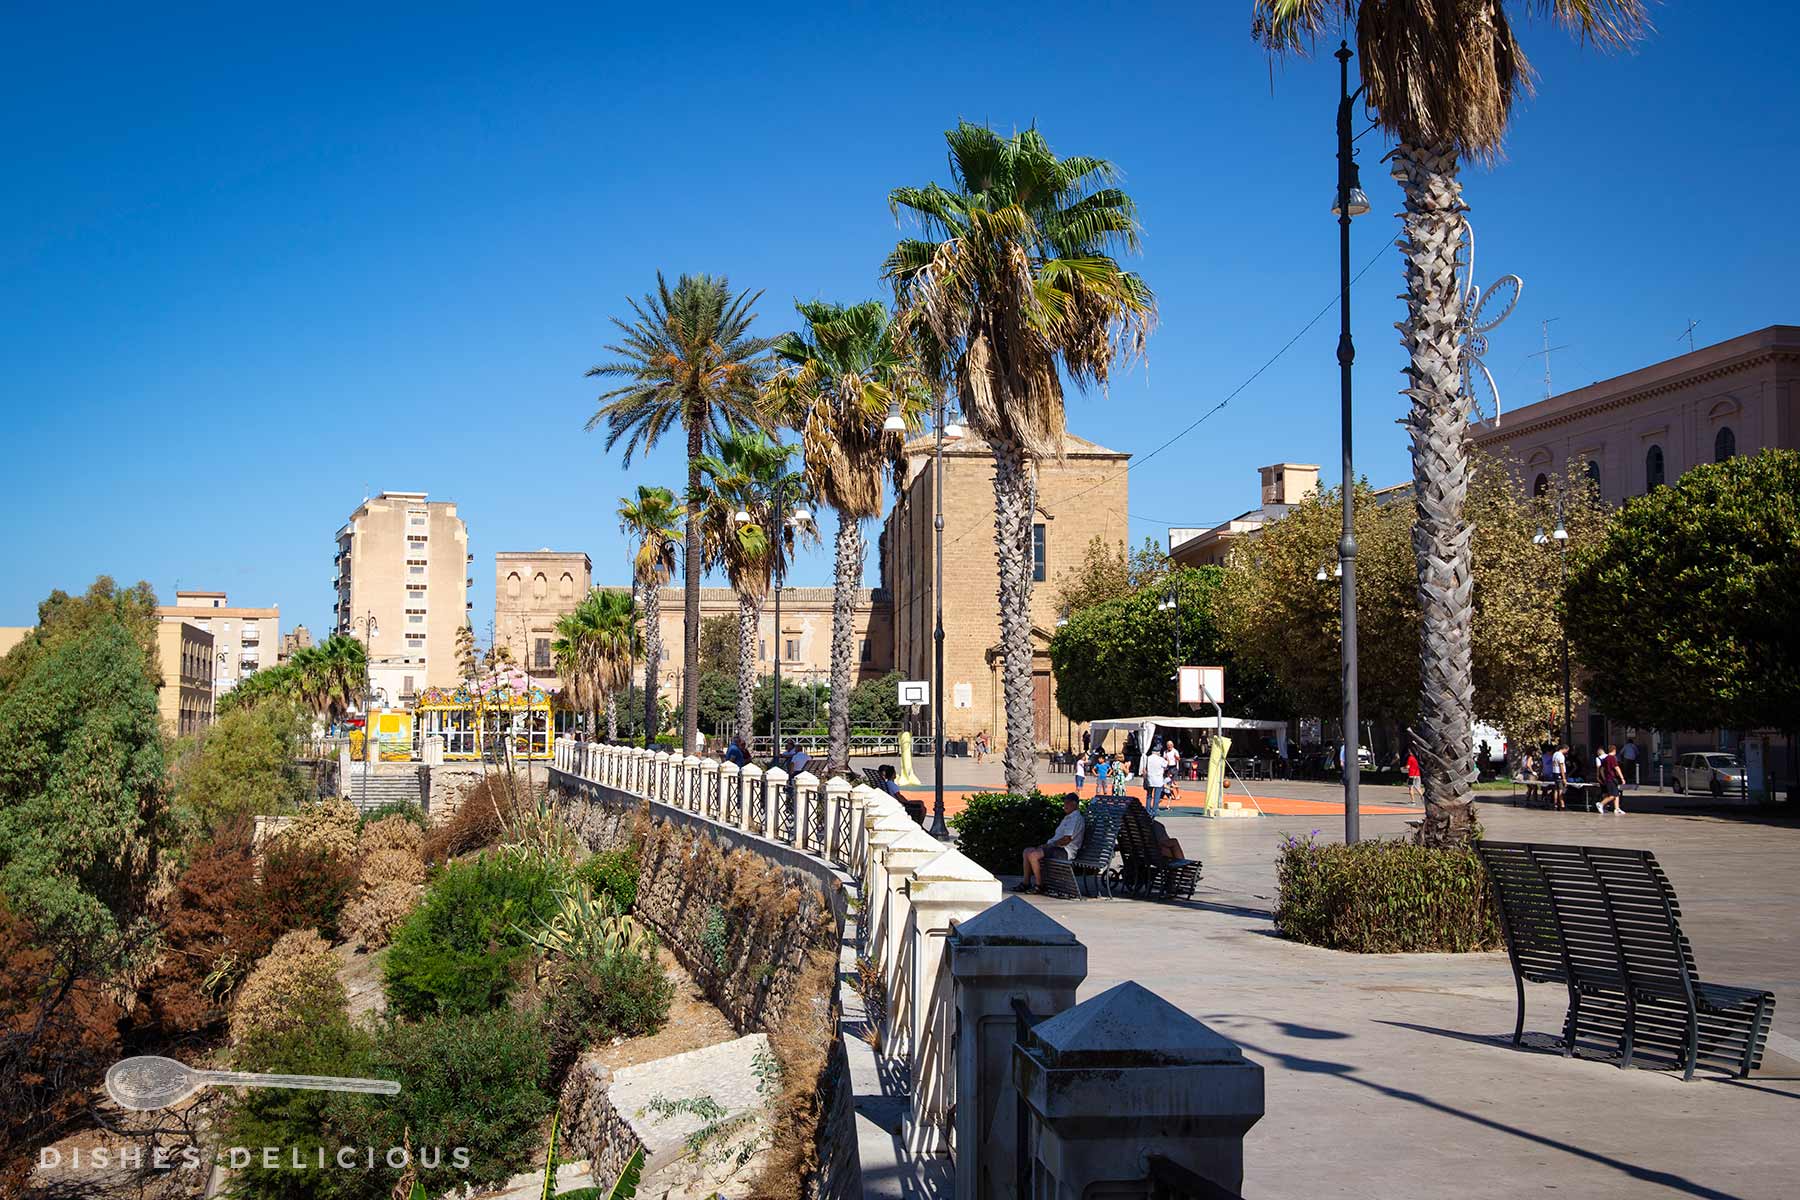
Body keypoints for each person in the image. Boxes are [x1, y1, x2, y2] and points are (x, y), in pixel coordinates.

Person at [1015, 793, 1085, 894]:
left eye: (1067, 803)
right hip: (1057, 848)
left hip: (1065, 851)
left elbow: (1067, 839)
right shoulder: (1068, 817)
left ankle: (1039, 885)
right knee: (1027, 851)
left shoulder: (1075, 818)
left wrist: (1050, 845)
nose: (1065, 805)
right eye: (1064, 802)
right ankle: (1026, 883)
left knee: (1033, 855)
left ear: (1074, 804)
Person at [1597, 744, 1627, 815]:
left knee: (1616, 794)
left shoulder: (1605, 758)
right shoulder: (1612, 758)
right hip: (1611, 779)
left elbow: (1601, 769)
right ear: (1614, 750)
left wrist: (1604, 777)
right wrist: (1622, 778)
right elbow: (1617, 768)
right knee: (1612, 795)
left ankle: (1617, 809)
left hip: (1608, 779)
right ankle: (1600, 804)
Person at [1142, 742, 1168, 815]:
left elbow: (1144, 769)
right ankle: (1154, 811)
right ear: (1158, 752)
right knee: (1156, 797)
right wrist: (1166, 759)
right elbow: (1166, 765)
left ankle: (1147, 809)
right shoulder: (1160, 759)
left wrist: (1144, 778)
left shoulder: (1148, 758)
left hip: (1150, 779)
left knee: (1149, 796)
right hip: (1158, 780)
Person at [1550, 742, 1569, 810]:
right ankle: (1562, 804)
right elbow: (1561, 767)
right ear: (1564, 749)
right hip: (1560, 774)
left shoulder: (1555, 754)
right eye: (1567, 750)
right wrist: (1564, 778)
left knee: (1556, 789)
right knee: (1561, 790)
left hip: (1555, 773)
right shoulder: (1561, 756)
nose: (1567, 752)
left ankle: (1555, 804)